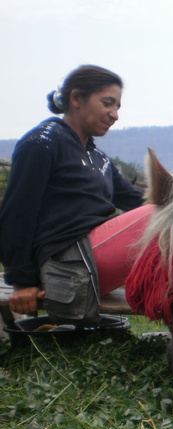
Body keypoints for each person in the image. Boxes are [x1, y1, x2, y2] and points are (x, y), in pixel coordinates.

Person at [0, 64, 153, 324]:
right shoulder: (43, 143)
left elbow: (140, 200)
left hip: (93, 261)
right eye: (107, 103)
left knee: (172, 209)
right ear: (76, 98)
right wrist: (22, 282)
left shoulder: (98, 159)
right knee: (161, 213)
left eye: (117, 107)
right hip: (68, 264)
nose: (114, 114)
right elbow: (17, 214)